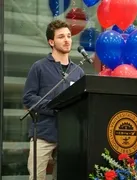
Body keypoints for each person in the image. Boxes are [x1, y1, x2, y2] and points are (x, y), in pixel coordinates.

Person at [23, 20, 84, 180]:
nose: (67, 40)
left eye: (69, 36)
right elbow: (29, 98)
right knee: (37, 176)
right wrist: (56, 107)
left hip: (68, 136)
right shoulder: (39, 67)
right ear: (51, 42)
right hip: (43, 133)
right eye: (61, 37)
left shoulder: (78, 72)